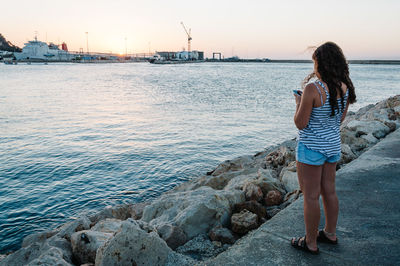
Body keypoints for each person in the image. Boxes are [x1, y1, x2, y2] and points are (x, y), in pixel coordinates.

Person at [290, 42, 356, 254]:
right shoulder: (344, 87)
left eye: (315, 62)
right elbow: (339, 120)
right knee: (329, 191)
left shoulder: (313, 89)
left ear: (321, 63)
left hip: (311, 148)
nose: (314, 66)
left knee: (310, 196)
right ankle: (330, 232)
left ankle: (310, 242)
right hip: (332, 146)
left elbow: (300, 123)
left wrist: (299, 102)